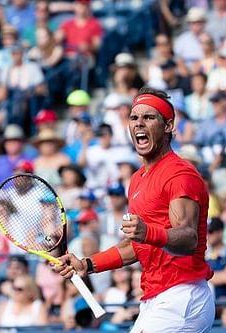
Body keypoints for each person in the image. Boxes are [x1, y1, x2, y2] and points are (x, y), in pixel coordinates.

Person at [55, 87, 215, 332]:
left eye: (149, 117)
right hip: (156, 296)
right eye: (134, 117)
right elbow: (136, 245)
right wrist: (87, 264)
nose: (139, 123)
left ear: (169, 126)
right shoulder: (138, 179)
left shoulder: (179, 174)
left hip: (182, 294)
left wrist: (148, 233)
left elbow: (188, 239)